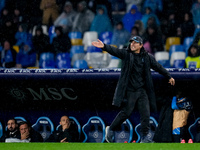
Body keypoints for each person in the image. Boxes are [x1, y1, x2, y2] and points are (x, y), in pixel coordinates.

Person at [92, 36, 175, 143]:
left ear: (141, 45)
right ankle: (111, 129)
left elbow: (158, 66)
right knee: (126, 113)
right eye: (131, 42)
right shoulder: (127, 54)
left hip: (142, 90)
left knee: (146, 114)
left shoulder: (147, 57)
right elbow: (115, 51)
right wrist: (104, 46)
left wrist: (169, 76)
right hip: (131, 90)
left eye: (135, 43)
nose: (132, 44)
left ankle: (145, 138)